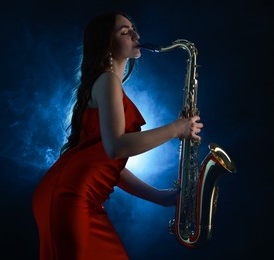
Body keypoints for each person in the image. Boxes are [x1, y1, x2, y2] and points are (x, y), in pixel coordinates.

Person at [32, 11, 203, 260]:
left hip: (67, 195)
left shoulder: (106, 82)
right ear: (106, 42)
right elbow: (117, 147)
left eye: (134, 29)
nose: (136, 35)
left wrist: (160, 197)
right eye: (125, 32)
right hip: (71, 196)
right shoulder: (108, 81)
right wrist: (176, 129)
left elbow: (109, 162)